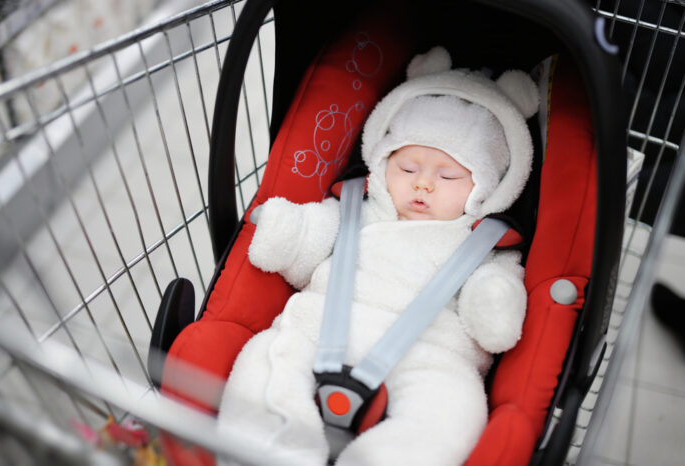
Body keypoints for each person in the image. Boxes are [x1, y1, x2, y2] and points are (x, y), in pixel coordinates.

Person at [216, 46, 539, 465]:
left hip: (430, 356)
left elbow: (492, 307)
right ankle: (273, 452)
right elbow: (314, 237)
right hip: (319, 329)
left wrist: (494, 301)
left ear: (489, 185)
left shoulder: (484, 244)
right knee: (264, 361)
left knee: (452, 410)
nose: (423, 184)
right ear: (382, 161)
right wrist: (289, 231)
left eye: (448, 176)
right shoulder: (355, 209)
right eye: (407, 168)